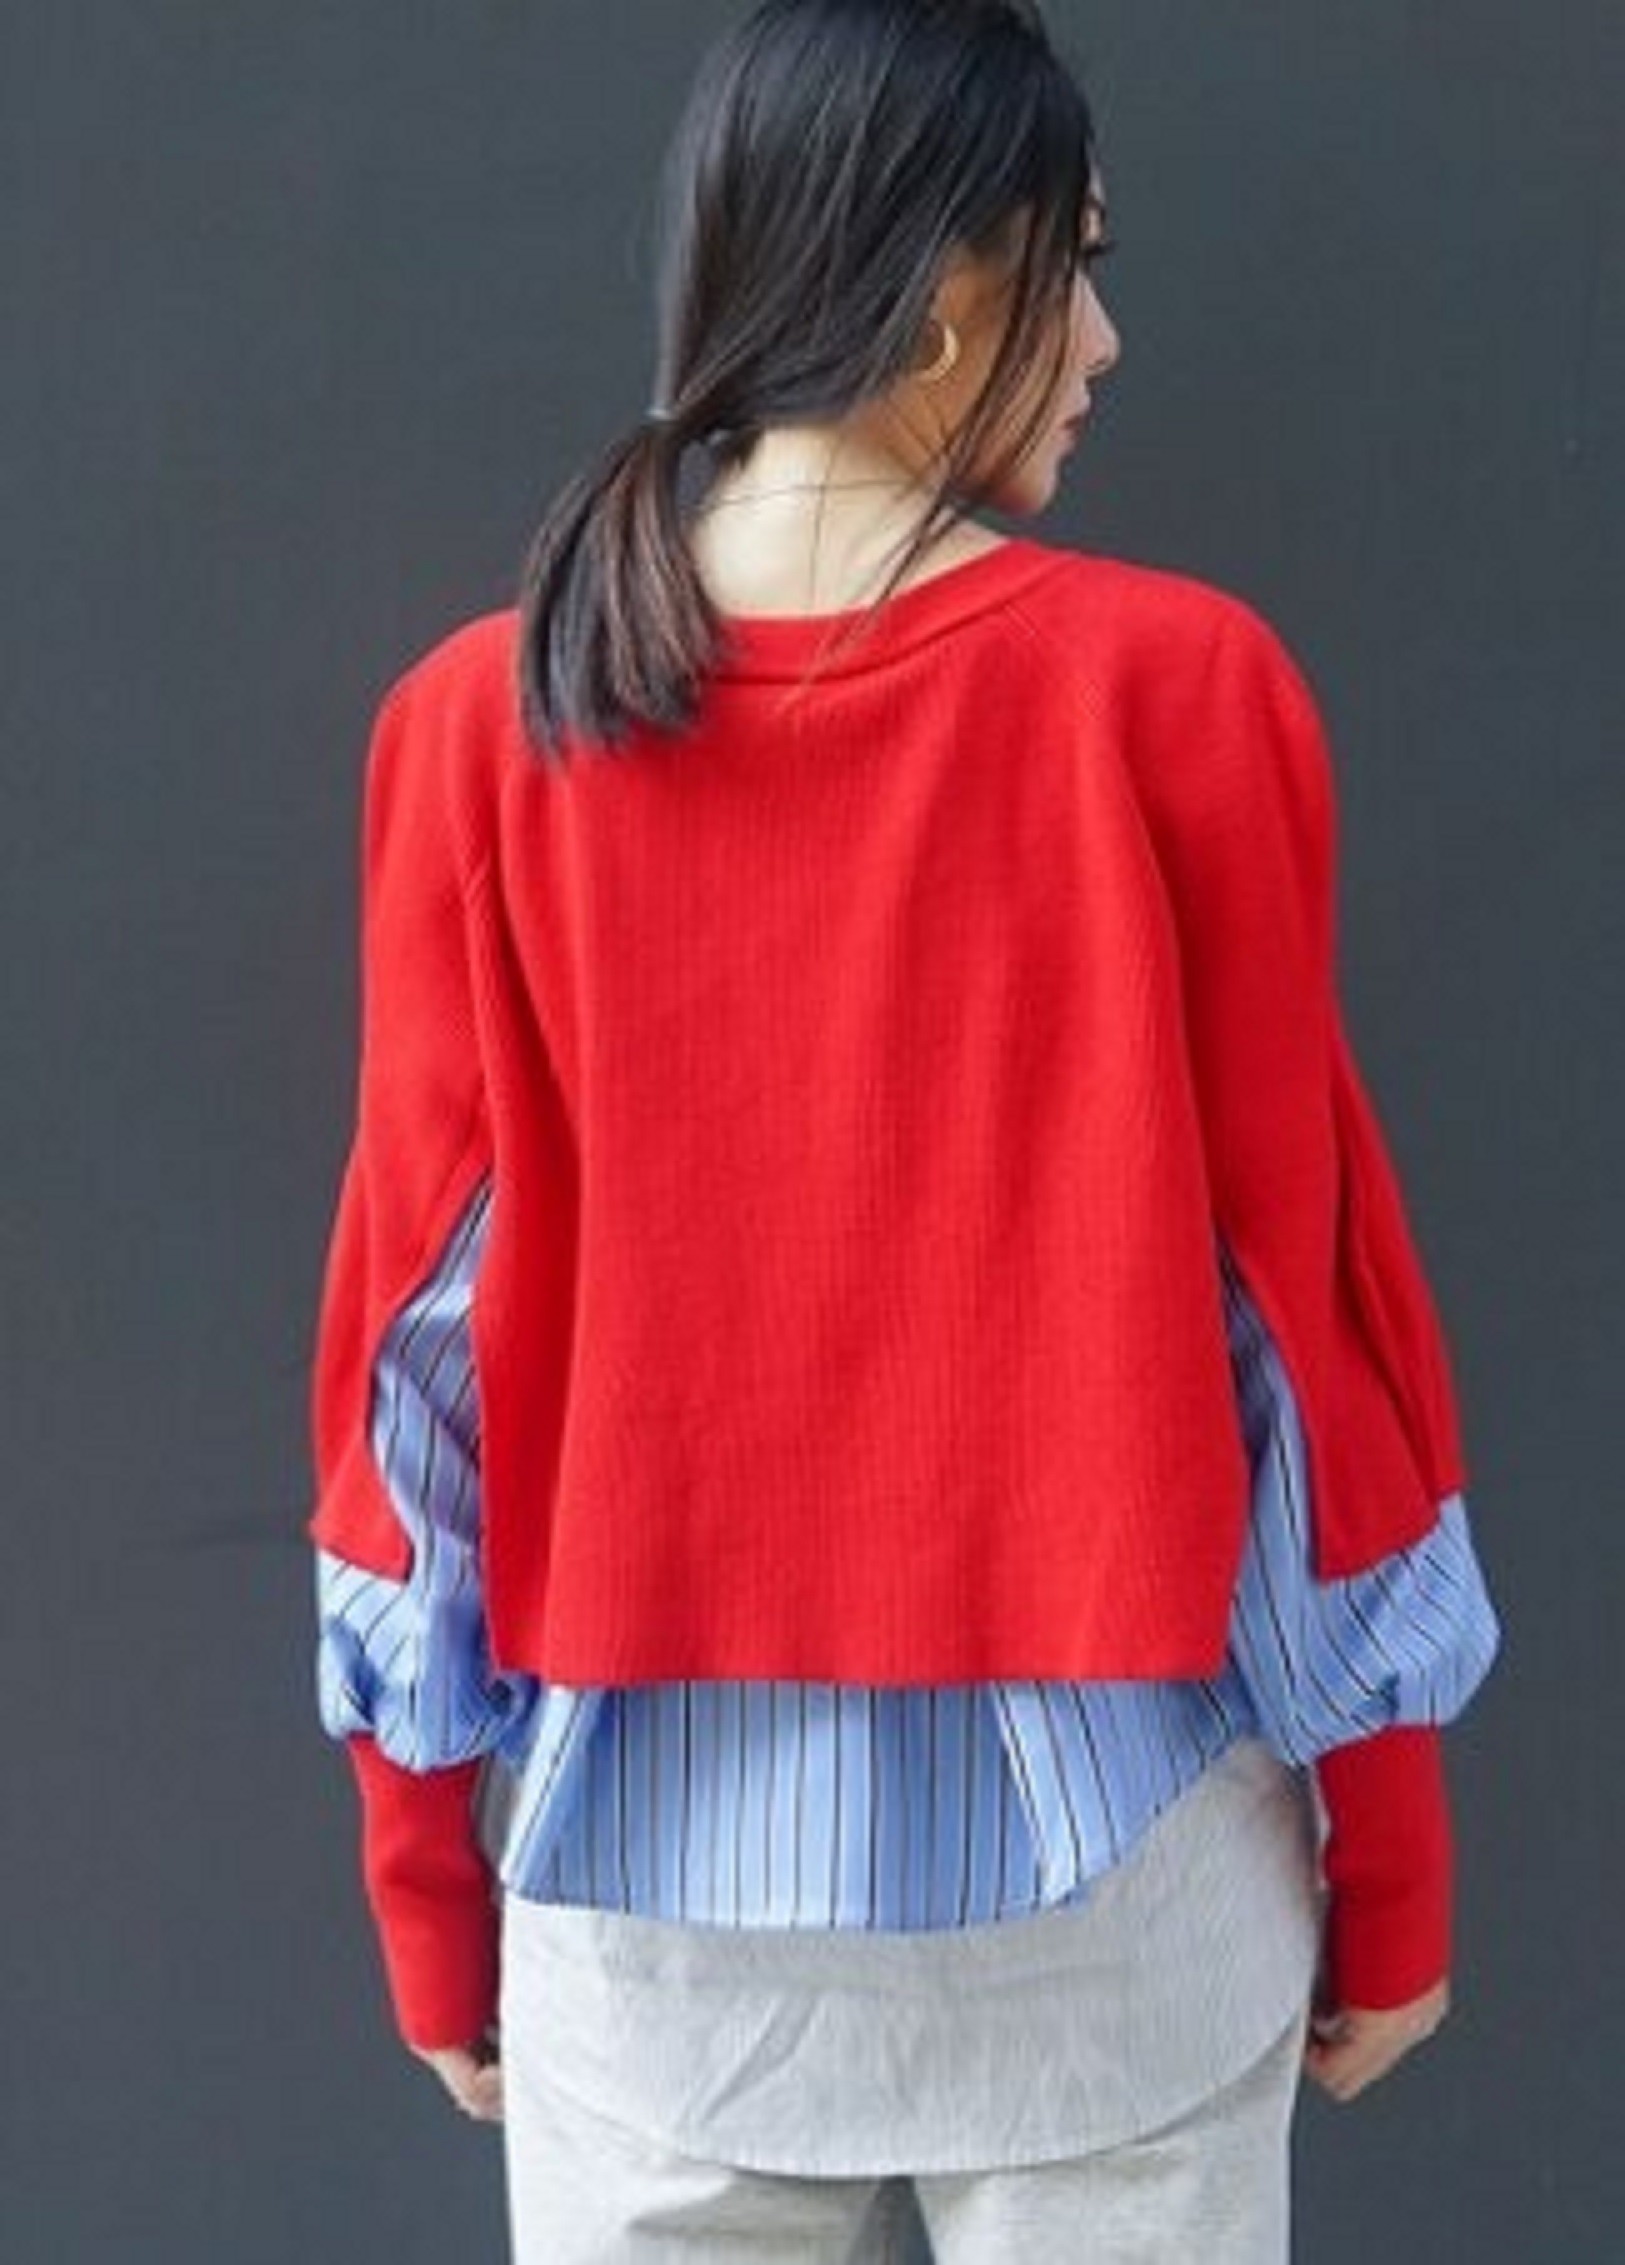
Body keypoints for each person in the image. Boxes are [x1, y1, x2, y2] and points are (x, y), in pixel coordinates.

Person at [303, 3, 1502, 2258]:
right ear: (951, 292)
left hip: (656, 1952)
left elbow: (412, 1369)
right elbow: (1304, 1328)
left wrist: (425, 1898)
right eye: (1079, 264)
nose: (1105, 343)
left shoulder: (480, 726)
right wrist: (1398, 1856)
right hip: (1120, 1928)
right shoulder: (1180, 694)